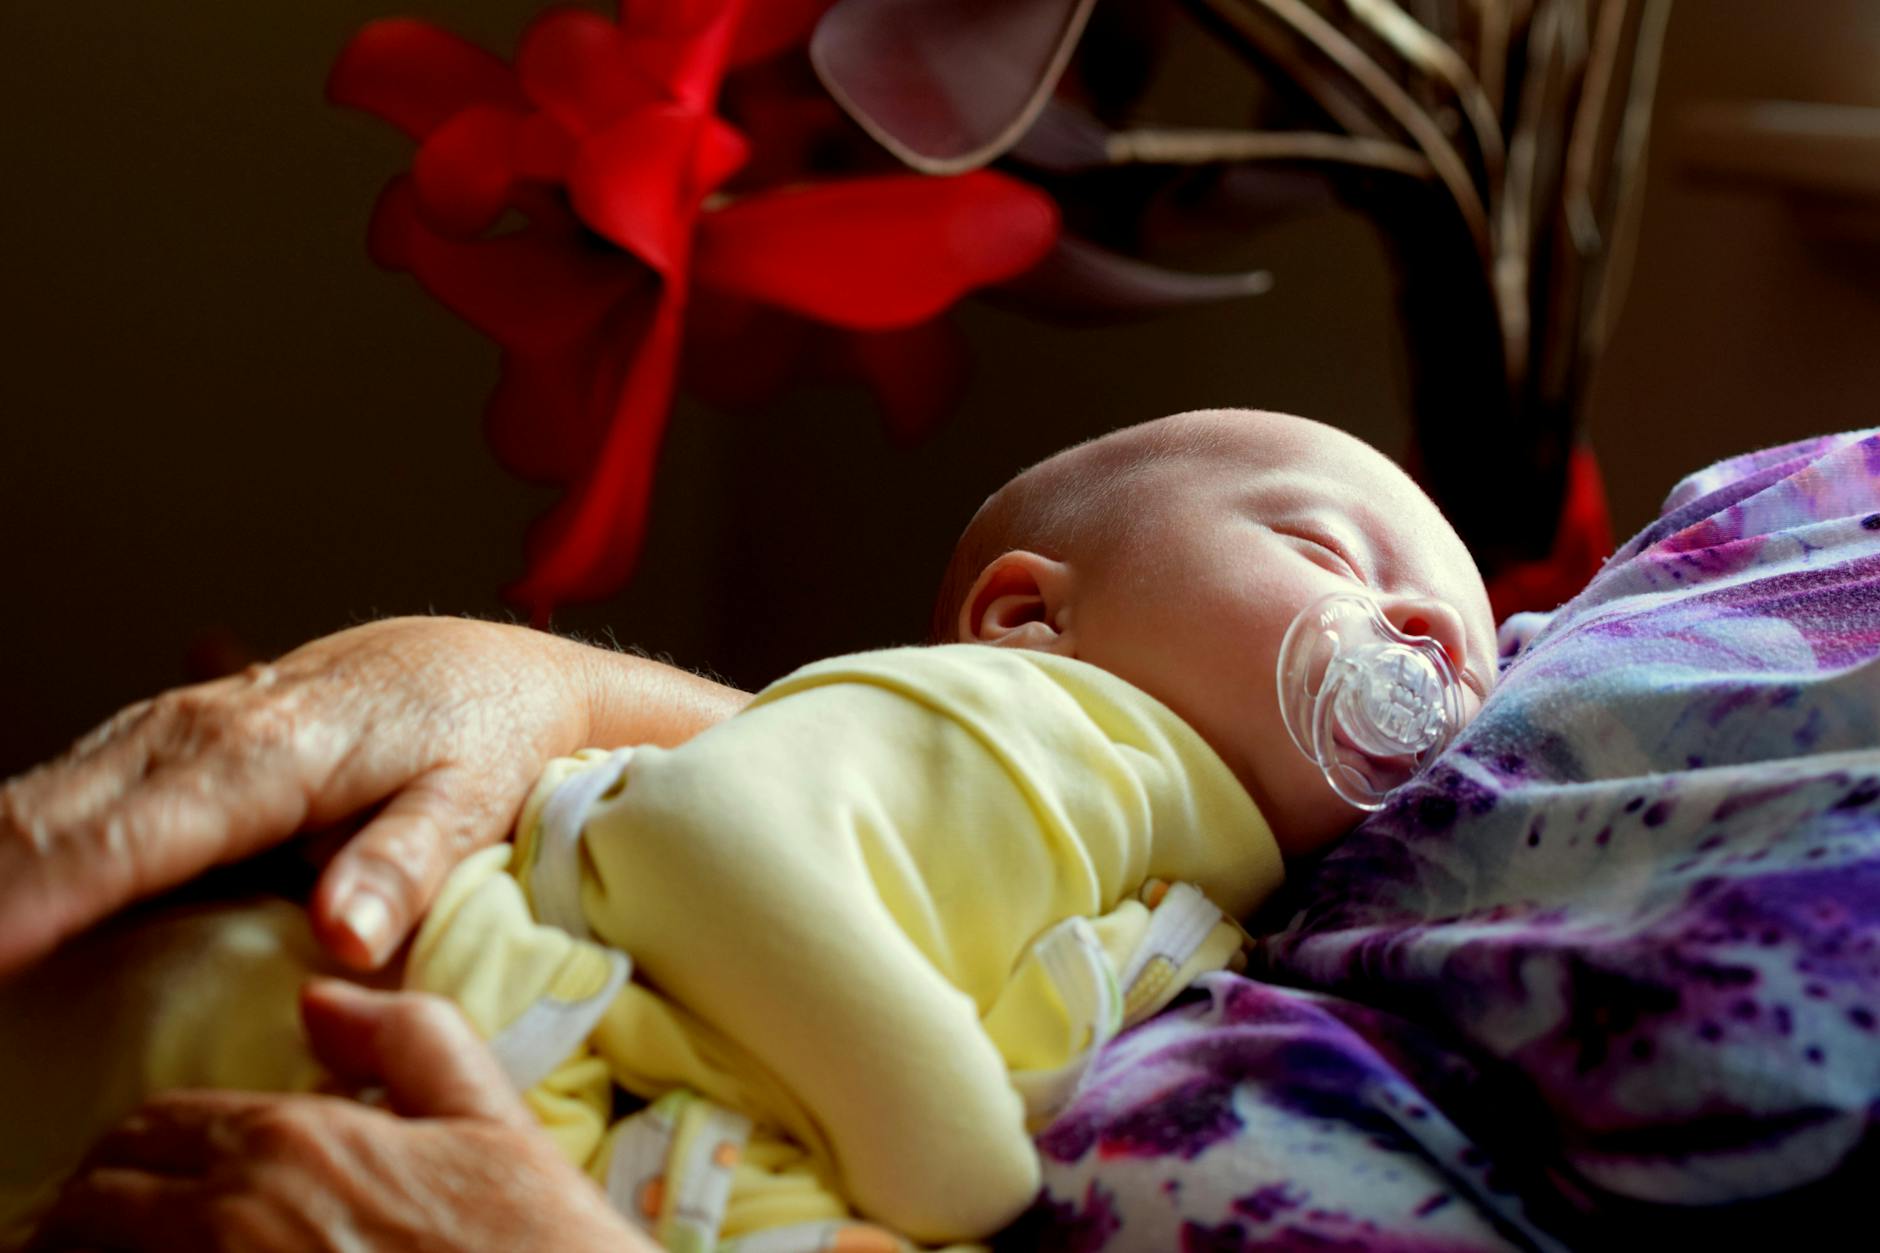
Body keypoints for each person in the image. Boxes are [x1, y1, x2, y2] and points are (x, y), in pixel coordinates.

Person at [2, 409, 1497, 1251]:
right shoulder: (1060, 727)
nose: (1424, 633)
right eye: (1324, 552)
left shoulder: (1206, 880)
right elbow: (706, 838)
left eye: (1470, 660)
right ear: (1031, 615)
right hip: (376, 1030)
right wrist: (958, 1163)